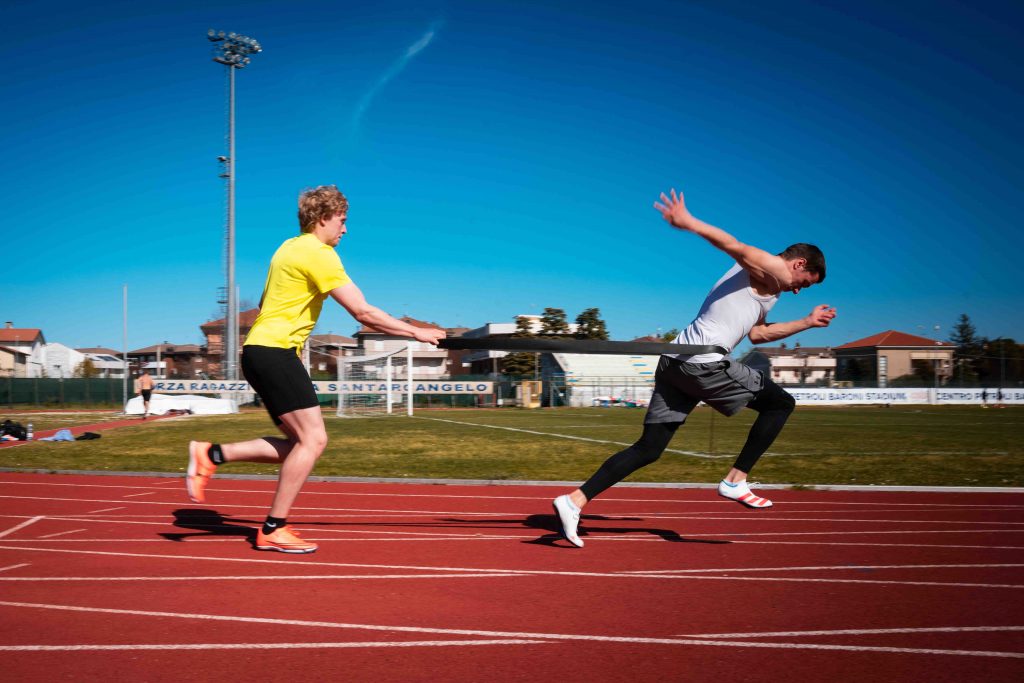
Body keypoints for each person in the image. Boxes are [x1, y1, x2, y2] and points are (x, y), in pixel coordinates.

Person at [552, 186, 836, 548]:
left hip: (675, 362)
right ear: (798, 265)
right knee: (780, 403)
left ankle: (574, 501)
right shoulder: (772, 267)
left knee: (650, 448)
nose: (798, 291)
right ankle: (735, 480)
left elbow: (758, 335)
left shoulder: (769, 286)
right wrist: (690, 223)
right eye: (803, 284)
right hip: (704, 362)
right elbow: (734, 245)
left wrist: (807, 323)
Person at [186, 185, 446, 554]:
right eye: (342, 220)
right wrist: (415, 332)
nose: (345, 229)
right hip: (275, 352)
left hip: (259, 352)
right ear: (324, 217)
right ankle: (273, 528)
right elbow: (363, 312)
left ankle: (212, 455)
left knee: (299, 446)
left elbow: (266, 302)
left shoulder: (287, 248)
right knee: (314, 440)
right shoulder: (319, 254)